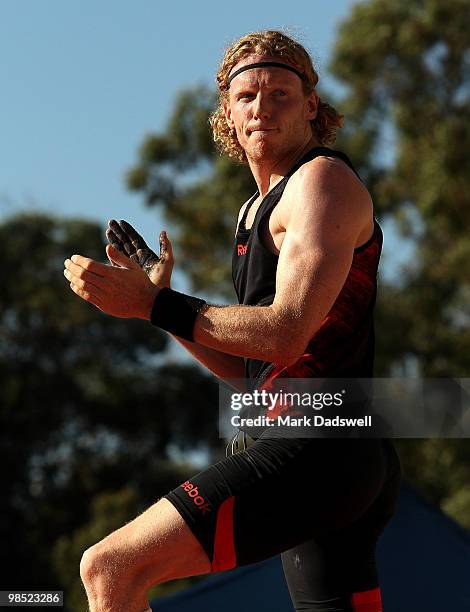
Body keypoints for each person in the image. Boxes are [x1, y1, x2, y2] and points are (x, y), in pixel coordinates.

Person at [64, 30, 401, 612]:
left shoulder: (322, 182)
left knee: (110, 569)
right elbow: (256, 373)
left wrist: (154, 305)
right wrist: (163, 311)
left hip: (321, 449)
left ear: (312, 107)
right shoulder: (253, 211)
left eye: (281, 94)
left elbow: (285, 330)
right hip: (316, 450)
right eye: (247, 97)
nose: (262, 108)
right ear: (227, 112)